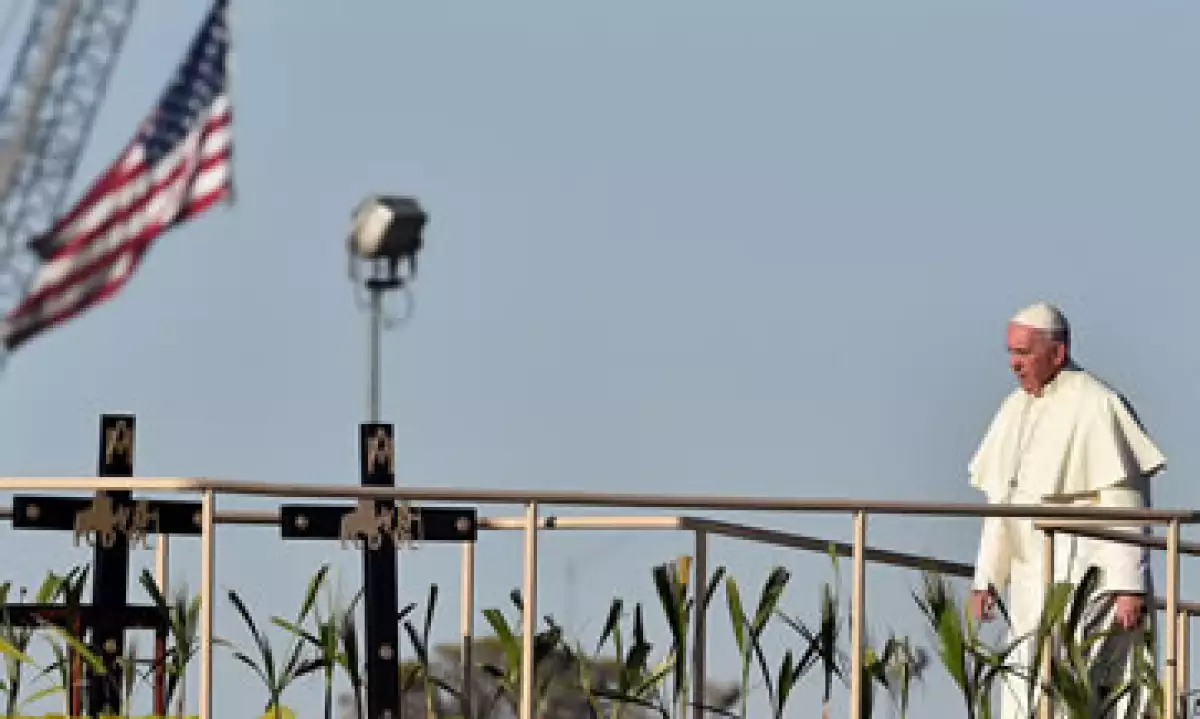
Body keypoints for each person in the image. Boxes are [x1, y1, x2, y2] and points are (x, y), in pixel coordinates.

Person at [967, 301, 1166, 718]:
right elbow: (1001, 504)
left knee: (1073, 685)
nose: (1014, 364)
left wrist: (1128, 584)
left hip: (1085, 579)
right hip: (1028, 582)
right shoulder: (1012, 410)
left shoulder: (1097, 403)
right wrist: (986, 579)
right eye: (1010, 353)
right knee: (1024, 685)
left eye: (1023, 353)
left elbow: (1126, 502)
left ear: (1056, 353)